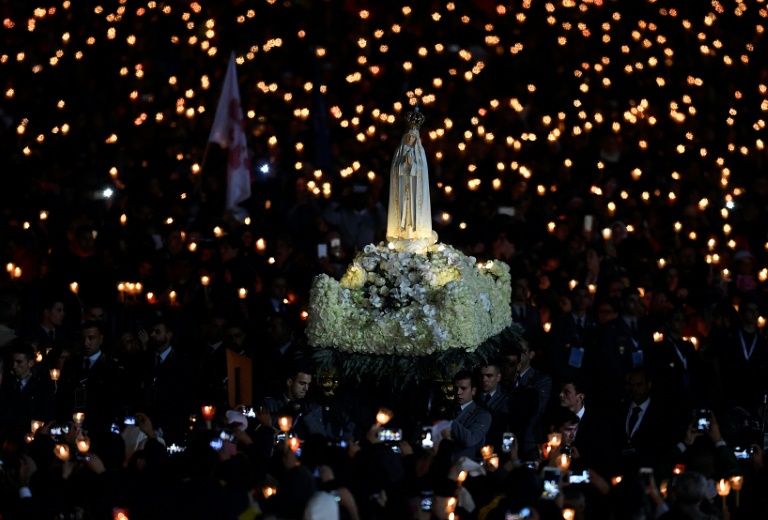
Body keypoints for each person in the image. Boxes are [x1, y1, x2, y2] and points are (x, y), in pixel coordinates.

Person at [58, 320, 123, 432]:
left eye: (91, 338)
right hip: (72, 425)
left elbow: (114, 400)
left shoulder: (111, 367)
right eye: (83, 339)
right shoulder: (71, 363)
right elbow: (63, 393)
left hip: (99, 426)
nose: (86, 343)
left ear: (100, 339)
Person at [386, 108, 435, 250]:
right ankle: (401, 233)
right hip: (402, 188)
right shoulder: (399, 151)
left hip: (415, 189)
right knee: (403, 210)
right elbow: (395, 170)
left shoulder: (420, 153)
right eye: (409, 136)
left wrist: (412, 166)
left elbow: (422, 172)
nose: (410, 139)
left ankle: (416, 234)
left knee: (413, 211)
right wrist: (403, 165)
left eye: (413, 137)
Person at [0, 340, 55, 439]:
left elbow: (47, 412)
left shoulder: (41, 387)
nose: (14, 366)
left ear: (30, 363)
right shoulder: (6, 385)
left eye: (19, 362)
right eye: (12, 362)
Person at [444, 369, 491, 461]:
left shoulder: (482, 415)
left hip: (463, 466)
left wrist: (449, 422)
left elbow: (469, 440)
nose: (458, 392)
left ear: (473, 390)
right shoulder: (447, 409)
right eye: (456, 388)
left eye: (463, 388)